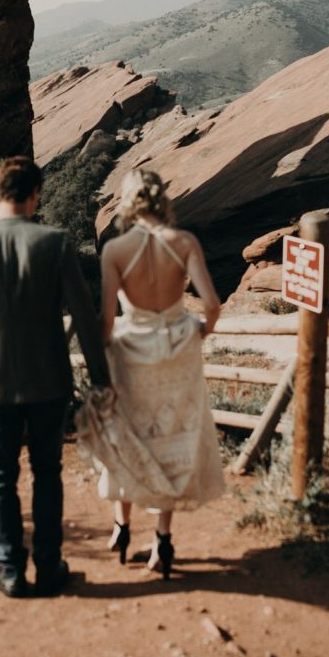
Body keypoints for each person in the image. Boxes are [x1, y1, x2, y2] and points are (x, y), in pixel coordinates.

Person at [0, 156, 111, 599]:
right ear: (35, 194)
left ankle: (10, 571)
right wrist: (101, 379)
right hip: (48, 381)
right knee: (47, 473)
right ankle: (48, 564)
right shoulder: (55, 243)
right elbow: (85, 316)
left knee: (0, 477)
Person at [77, 168, 225, 579]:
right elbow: (212, 304)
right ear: (162, 199)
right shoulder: (185, 242)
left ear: (128, 202)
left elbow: (106, 319)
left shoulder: (116, 250)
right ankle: (163, 539)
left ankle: (122, 527)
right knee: (171, 438)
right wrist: (199, 331)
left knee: (127, 435)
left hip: (131, 352)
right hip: (178, 352)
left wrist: (101, 360)